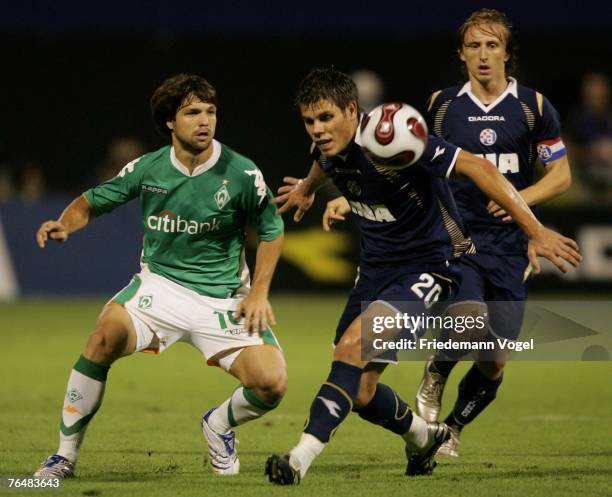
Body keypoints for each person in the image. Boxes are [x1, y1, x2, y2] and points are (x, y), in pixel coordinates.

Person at [264, 67, 580, 485]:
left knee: (351, 350)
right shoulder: (326, 147)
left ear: (353, 111)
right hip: (374, 273)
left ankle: (298, 460)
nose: (318, 129)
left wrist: (534, 229)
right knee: (361, 391)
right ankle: (425, 438)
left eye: (326, 118)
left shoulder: (393, 138)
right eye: (310, 121)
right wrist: (307, 187)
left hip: (429, 268)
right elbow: (323, 162)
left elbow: (478, 169)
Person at [33, 74, 287, 479]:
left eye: (210, 112)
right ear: (170, 121)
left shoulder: (241, 173)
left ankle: (218, 425)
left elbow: (272, 229)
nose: (205, 121)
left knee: (272, 384)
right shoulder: (147, 169)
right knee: (103, 337)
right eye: (192, 113)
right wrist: (65, 224)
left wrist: (258, 293)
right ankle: (63, 456)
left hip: (223, 298)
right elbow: (91, 202)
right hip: (160, 289)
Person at [413, 8, 574, 457]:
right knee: (469, 320)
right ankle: (436, 374)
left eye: (492, 45)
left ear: (507, 53)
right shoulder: (441, 106)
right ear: (461, 55)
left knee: (494, 360)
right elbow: (416, 167)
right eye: (474, 46)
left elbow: (560, 176)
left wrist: (518, 203)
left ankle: (453, 428)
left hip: (510, 248)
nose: (483, 55)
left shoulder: (534, 107)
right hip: (457, 240)